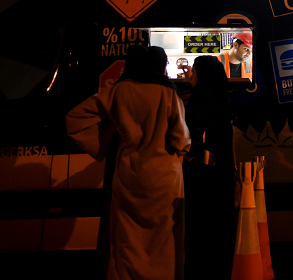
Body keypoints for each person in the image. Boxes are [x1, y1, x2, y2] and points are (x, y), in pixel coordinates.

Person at [66, 45, 191, 280]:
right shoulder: (168, 92)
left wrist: (110, 135)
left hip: (128, 175)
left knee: (126, 239)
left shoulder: (119, 91)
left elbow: (75, 118)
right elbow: (180, 139)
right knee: (164, 240)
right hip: (165, 178)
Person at [182, 55, 236, 279]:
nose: (190, 76)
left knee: (200, 227)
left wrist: (189, 159)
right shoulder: (223, 99)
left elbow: (192, 137)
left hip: (202, 175)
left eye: (193, 72)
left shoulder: (198, 100)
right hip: (222, 172)